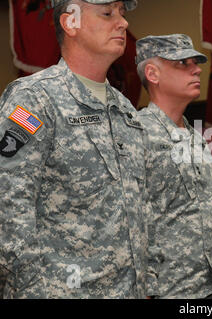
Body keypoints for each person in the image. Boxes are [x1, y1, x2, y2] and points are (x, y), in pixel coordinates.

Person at [0, 0, 157, 298]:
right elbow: (7, 208)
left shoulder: (124, 110)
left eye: (122, 13)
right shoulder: (34, 99)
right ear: (70, 22)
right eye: (108, 13)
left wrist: (148, 281)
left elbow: (142, 205)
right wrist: (41, 288)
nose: (123, 22)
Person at [136, 34, 212, 298]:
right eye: (182, 63)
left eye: (195, 63)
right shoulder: (136, 132)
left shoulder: (195, 137)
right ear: (153, 74)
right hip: (169, 290)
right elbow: (134, 217)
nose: (197, 69)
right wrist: (148, 289)